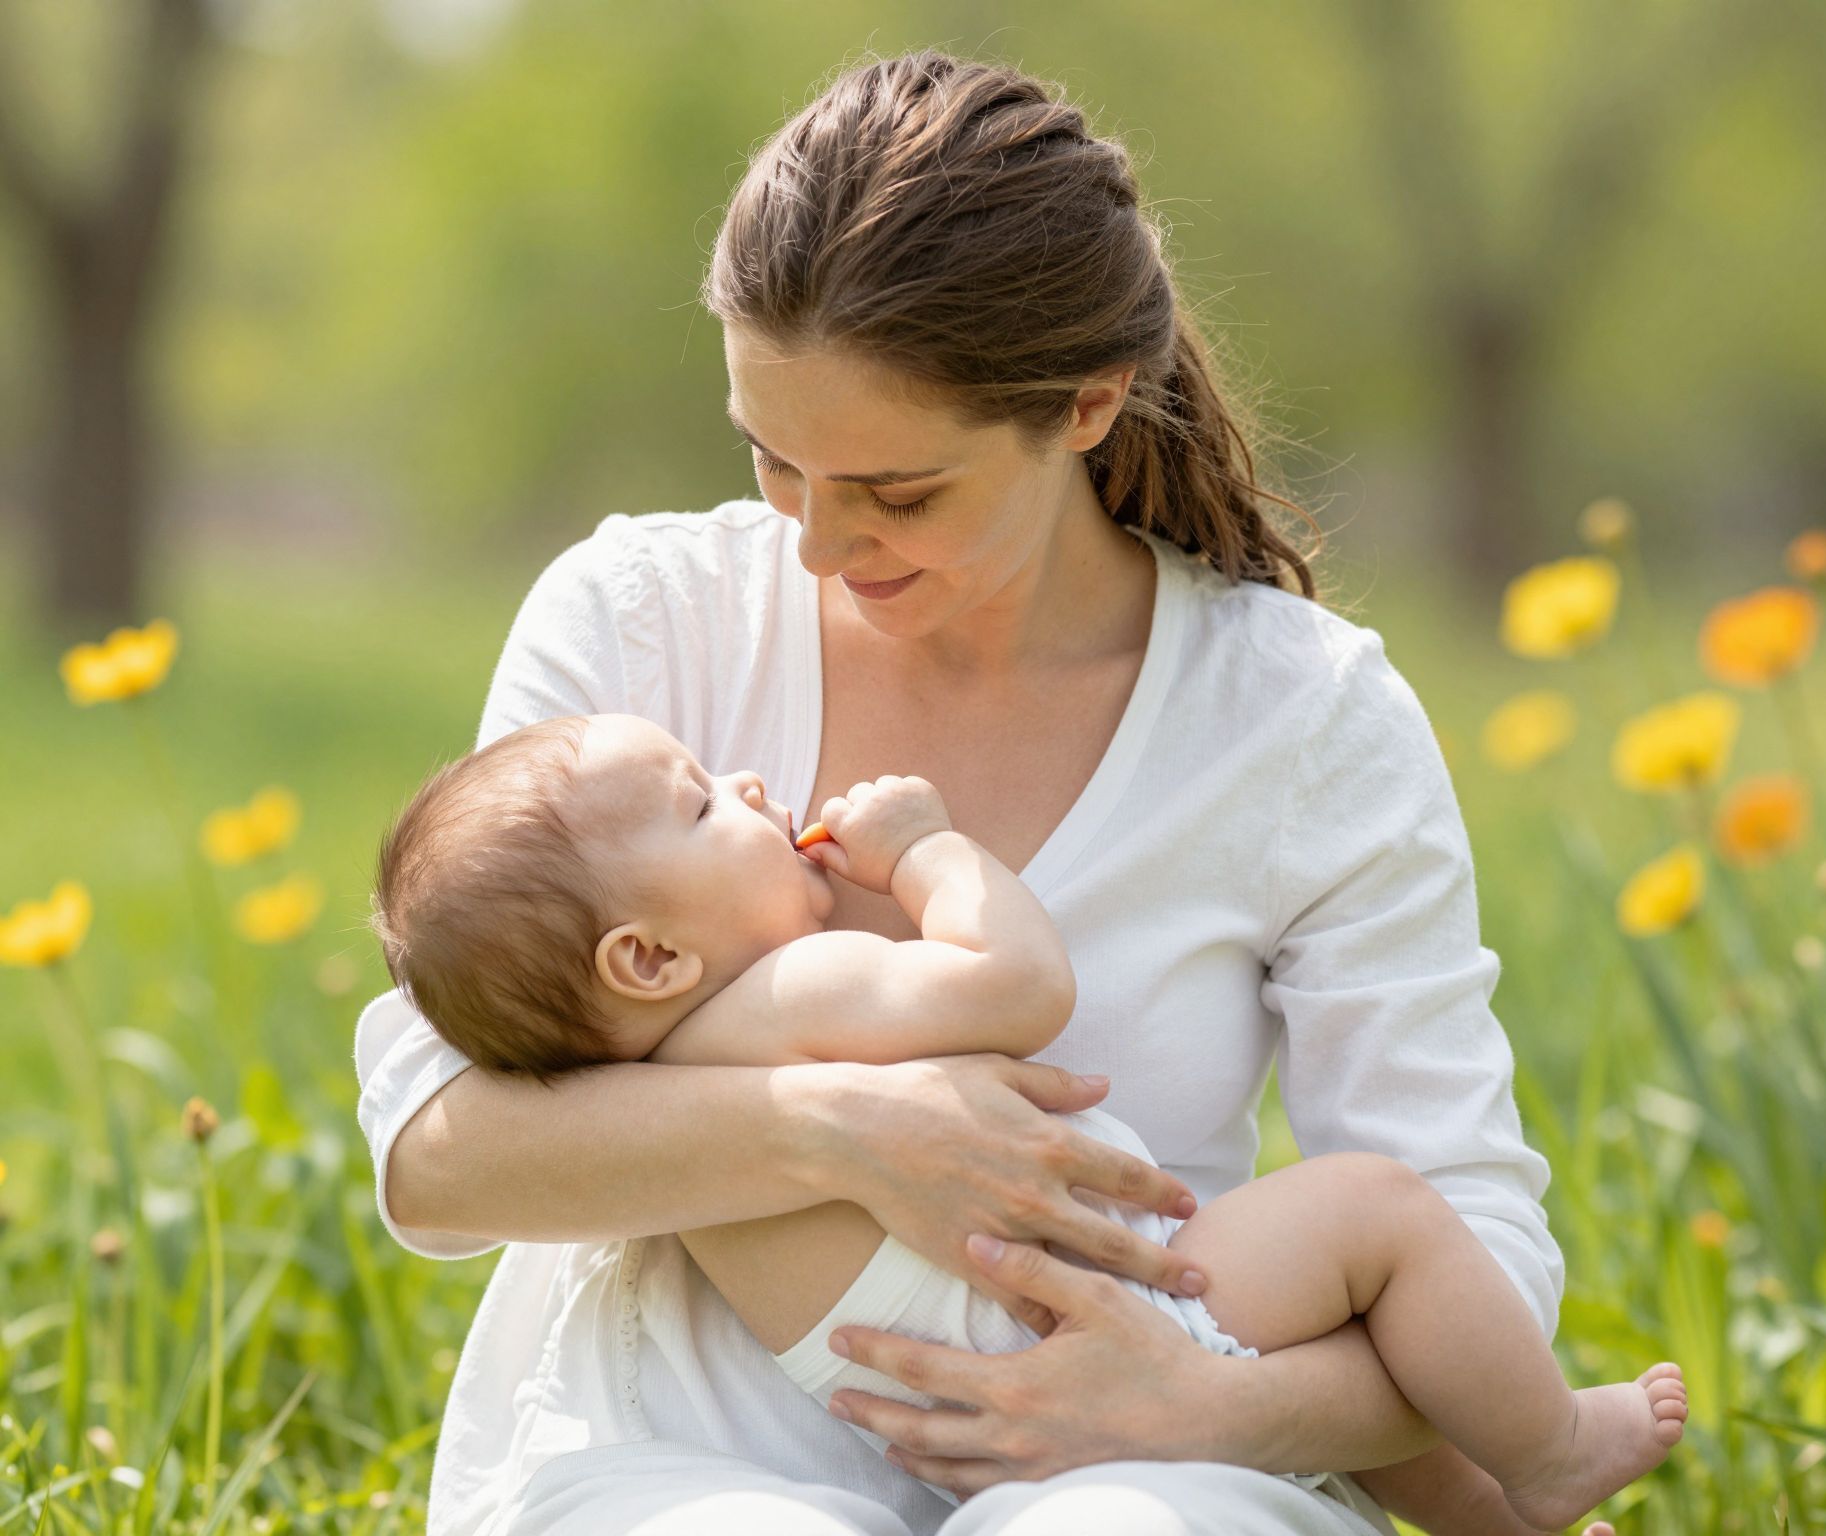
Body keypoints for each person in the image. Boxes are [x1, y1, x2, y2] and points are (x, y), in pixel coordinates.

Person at [354, 49, 1581, 1536]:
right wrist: (832, 1130)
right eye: (773, 461)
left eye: (896, 491)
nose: (814, 544)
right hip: (667, 1461)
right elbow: (441, 1152)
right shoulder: (639, 622)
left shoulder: (1302, 720)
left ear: (1085, 405)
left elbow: (1465, 1233)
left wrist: (1224, 1407)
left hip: (1151, 1454)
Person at [368, 719, 1686, 1534]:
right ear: (649, 960)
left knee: (1353, 1329)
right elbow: (1018, 986)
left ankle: (1509, 1514)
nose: (751, 782)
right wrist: (927, 853)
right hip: (1107, 1316)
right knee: (1379, 1216)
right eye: (705, 802)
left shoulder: (642, 1104)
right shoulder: (790, 996)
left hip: (951, 1403)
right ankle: (1554, 1447)